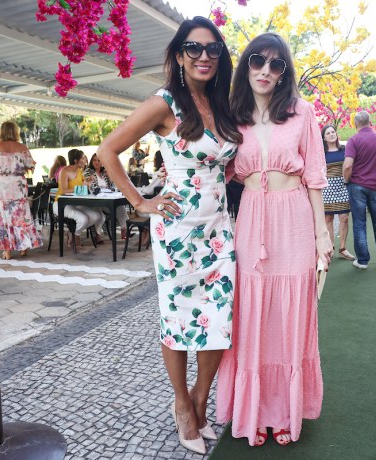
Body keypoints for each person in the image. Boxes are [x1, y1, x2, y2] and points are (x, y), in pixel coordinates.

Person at [97, 16, 241, 455]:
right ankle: (183, 404)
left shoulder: (224, 105)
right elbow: (107, 150)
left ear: (221, 58)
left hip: (220, 229)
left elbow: (228, 164)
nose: (203, 56)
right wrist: (141, 201)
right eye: (193, 49)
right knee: (179, 320)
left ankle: (201, 397)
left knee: (219, 319)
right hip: (178, 231)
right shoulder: (164, 103)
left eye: (212, 49)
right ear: (179, 56)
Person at [216, 32, 332, 448]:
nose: (265, 70)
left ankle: (284, 410)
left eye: (276, 64)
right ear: (246, 65)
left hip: (294, 217)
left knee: (288, 315)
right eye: (257, 61)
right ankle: (254, 410)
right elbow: (214, 171)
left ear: (284, 72)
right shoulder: (230, 115)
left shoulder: (301, 112)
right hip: (251, 218)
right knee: (252, 313)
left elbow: (315, 176)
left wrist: (322, 235)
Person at [342, 111, 376, 269]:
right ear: (370, 122)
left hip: (357, 185)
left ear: (356, 124)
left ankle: (362, 260)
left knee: (359, 223)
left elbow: (348, 165)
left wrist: (347, 179)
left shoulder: (353, 140)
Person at [0, 121, 42, 260]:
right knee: (20, 215)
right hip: (18, 183)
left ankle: (7, 251)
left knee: (4, 216)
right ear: (16, 132)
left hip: (1, 185)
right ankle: (23, 247)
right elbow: (30, 165)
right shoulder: (22, 147)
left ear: (1, 131)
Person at [54, 149, 106, 250]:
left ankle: (74, 233)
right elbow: (64, 190)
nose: (85, 160)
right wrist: (82, 187)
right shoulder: (65, 171)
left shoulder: (79, 171)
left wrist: (88, 182)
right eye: (82, 158)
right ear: (75, 161)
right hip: (61, 204)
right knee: (83, 219)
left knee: (97, 216)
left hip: (75, 203)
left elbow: (83, 186)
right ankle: (75, 236)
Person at [321, 125, 353, 260]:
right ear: (323, 137)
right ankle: (331, 247)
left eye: (333, 132)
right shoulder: (321, 152)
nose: (332, 134)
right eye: (328, 133)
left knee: (344, 218)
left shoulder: (344, 149)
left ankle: (343, 248)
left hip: (342, 186)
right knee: (328, 219)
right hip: (327, 188)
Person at [84, 153, 129, 239]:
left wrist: (110, 176)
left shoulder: (104, 172)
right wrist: (102, 190)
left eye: (99, 160)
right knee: (99, 212)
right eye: (94, 160)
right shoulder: (88, 171)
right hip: (95, 200)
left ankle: (124, 230)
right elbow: (92, 188)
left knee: (120, 206)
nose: (96, 162)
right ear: (91, 161)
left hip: (107, 198)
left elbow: (112, 187)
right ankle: (97, 235)